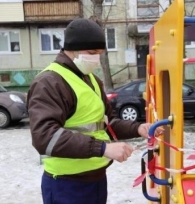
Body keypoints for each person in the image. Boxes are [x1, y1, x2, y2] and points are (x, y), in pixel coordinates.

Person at [27, 18, 163, 204]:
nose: (96, 59)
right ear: (72, 49)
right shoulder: (50, 82)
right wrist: (103, 148)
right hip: (66, 185)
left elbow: (107, 124)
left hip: (96, 179)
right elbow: (44, 137)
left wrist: (138, 128)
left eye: (99, 53)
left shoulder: (91, 80)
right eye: (92, 52)